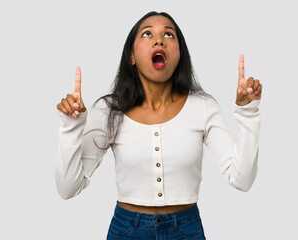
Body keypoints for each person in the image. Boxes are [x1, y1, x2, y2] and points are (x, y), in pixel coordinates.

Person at [55, 11, 262, 240]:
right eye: (147, 33)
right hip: (127, 231)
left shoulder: (203, 106)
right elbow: (67, 188)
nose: (159, 39)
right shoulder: (109, 110)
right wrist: (71, 126)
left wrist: (248, 113)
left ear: (179, 54)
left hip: (187, 230)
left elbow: (242, 179)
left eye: (169, 34)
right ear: (131, 56)